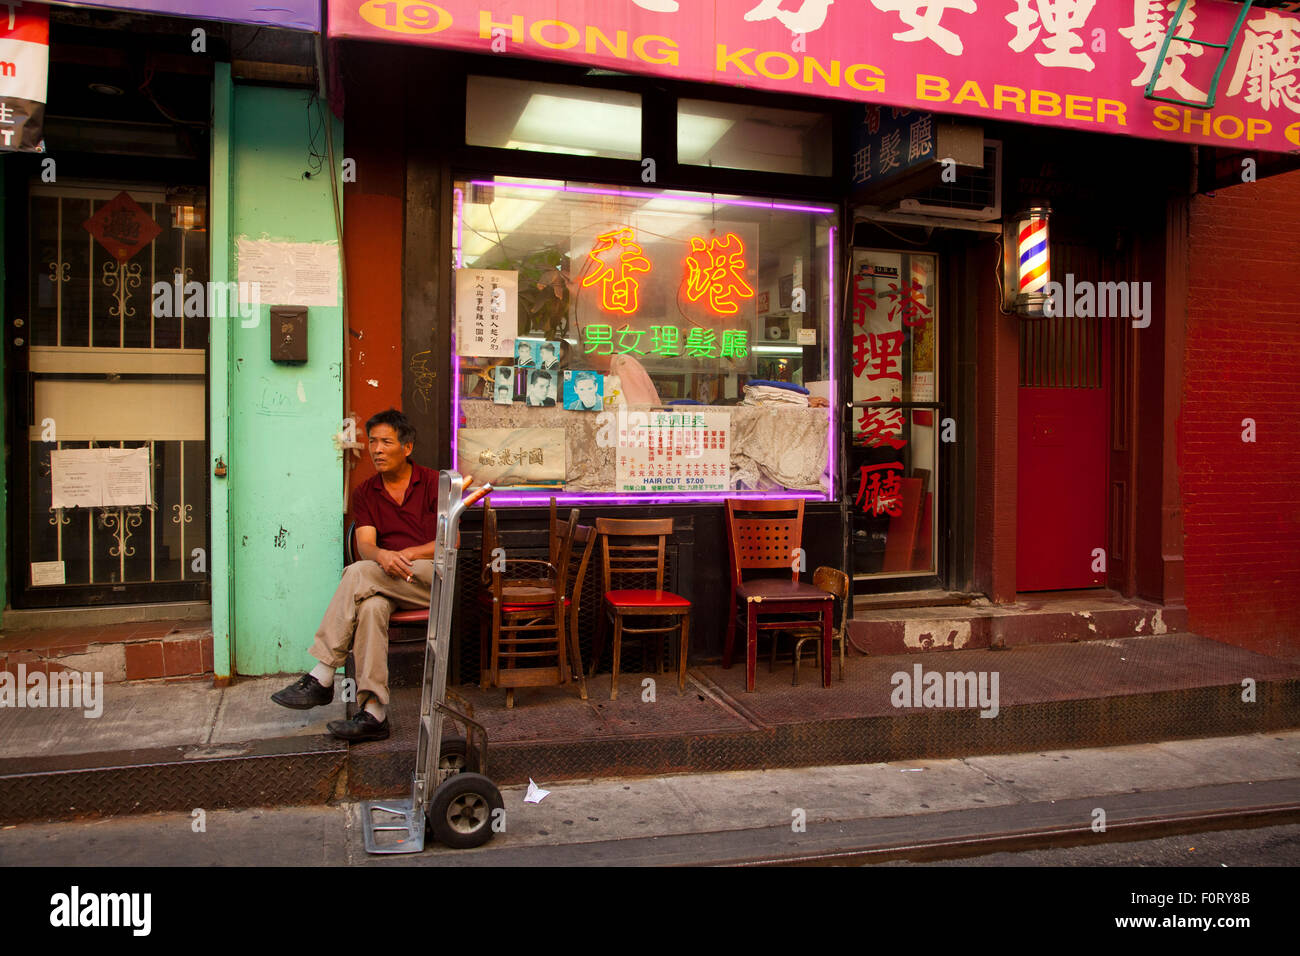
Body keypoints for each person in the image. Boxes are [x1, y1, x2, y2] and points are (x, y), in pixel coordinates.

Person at [271, 409, 440, 742]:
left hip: (427, 576)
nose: (376, 449)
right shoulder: (365, 492)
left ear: (406, 448)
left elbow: (452, 541)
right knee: (371, 607)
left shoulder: (434, 482)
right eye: (373, 441)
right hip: (384, 578)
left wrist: (407, 554)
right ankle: (374, 713)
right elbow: (366, 545)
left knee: (358, 573)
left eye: (386, 442)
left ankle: (323, 672)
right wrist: (383, 556)